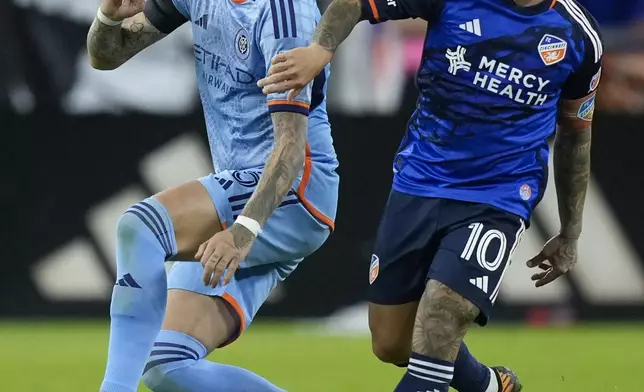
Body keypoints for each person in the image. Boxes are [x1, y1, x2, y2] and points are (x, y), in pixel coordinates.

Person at [258, 0, 603, 391]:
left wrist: (571, 232)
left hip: (499, 195)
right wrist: (320, 50)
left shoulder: (578, 36)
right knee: (391, 342)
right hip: (420, 182)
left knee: (441, 315)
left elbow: (576, 132)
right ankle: (488, 386)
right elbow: (354, 4)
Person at [86, 0, 338, 390]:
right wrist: (107, 18)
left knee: (141, 227)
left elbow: (289, 147)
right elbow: (106, 58)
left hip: (295, 192)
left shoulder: (284, 16)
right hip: (244, 187)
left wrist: (242, 231)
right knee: (163, 362)